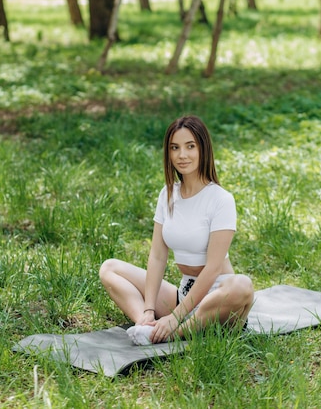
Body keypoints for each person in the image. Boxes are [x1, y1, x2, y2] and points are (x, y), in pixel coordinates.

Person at [99, 114, 254, 345]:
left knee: (242, 285)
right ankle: (145, 326)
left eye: (190, 146)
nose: (182, 155)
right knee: (110, 268)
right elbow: (157, 255)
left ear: (203, 149)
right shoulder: (168, 194)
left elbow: (212, 269)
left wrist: (175, 318)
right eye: (175, 148)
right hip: (184, 297)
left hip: (219, 300)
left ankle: (173, 334)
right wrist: (149, 309)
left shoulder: (221, 199)